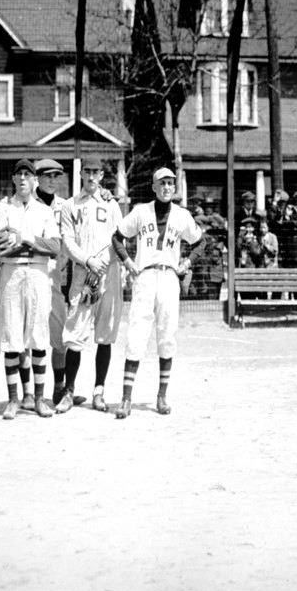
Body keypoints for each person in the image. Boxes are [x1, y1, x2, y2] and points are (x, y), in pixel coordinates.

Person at [112, 167, 204, 419]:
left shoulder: (182, 215)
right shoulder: (141, 211)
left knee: (167, 335)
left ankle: (162, 396)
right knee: (136, 335)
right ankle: (126, 398)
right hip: (145, 276)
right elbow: (118, 237)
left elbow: (199, 242)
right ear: (153, 187)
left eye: (170, 183)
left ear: (175, 188)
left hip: (169, 277)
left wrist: (187, 263)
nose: (166, 187)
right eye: (162, 183)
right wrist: (128, 262)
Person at [0, 158, 61, 420]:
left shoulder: (44, 211)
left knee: (38, 335)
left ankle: (40, 399)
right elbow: (0, 248)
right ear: (13, 179)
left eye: (27, 175)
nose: (22, 179)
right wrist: (27, 245)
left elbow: (55, 247)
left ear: (34, 180)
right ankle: (13, 399)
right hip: (10, 271)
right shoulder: (2, 209)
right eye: (18, 174)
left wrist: (25, 239)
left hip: (38, 273)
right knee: (11, 335)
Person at [56, 157, 125, 413]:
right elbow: (68, 240)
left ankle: (99, 391)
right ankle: (69, 391)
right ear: (81, 173)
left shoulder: (111, 204)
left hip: (108, 274)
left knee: (104, 334)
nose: (92, 176)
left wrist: (102, 263)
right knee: (75, 334)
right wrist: (88, 260)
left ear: (102, 175)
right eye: (88, 171)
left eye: (96, 172)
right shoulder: (70, 205)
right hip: (82, 275)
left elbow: (120, 238)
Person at [33, 157, 73, 406]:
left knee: (60, 338)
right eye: (47, 175)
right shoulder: (27, 203)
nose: (51, 180)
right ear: (37, 177)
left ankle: (59, 388)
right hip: (34, 271)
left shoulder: (65, 206)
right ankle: (30, 394)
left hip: (58, 276)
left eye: (56, 176)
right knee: (31, 336)